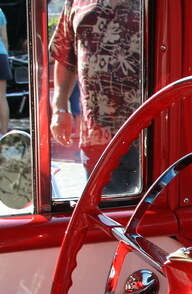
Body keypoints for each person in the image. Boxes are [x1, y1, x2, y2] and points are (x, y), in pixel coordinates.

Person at [49, 0, 143, 194]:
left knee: (148, 215)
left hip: (148, 132)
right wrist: (60, 108)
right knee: (104, 212)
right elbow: (65, 57)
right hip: (97, 135)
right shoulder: (76, 2)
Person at [0, 8, 10, 135]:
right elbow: (4, 38)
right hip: (1, 55)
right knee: (2, 97)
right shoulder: (0, 11)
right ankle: (3, 134)